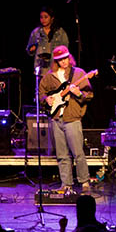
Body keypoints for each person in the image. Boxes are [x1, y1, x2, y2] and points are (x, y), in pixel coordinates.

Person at [38, 45, 93, 192]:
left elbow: (89, 95)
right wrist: (46, 99)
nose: (64, 62)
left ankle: (84, 182)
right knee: (62, 154)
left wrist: (79, 93)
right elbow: (41, 93)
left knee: (78, 153)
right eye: (60, 60)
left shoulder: (78, 73)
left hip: (72, 117)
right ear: (55, 61)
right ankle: (66, 184)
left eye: (65, 58)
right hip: (56, 118)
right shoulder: (49, 76)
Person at [26, 7, 69, 76]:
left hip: (56, 68)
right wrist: (31, 49)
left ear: (52, 18)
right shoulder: (36, 32)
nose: (43, 20)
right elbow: (29, 49)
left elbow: (65, 49)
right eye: (41, 17)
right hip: (41, 68)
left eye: (46, 17)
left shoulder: (60, 32)